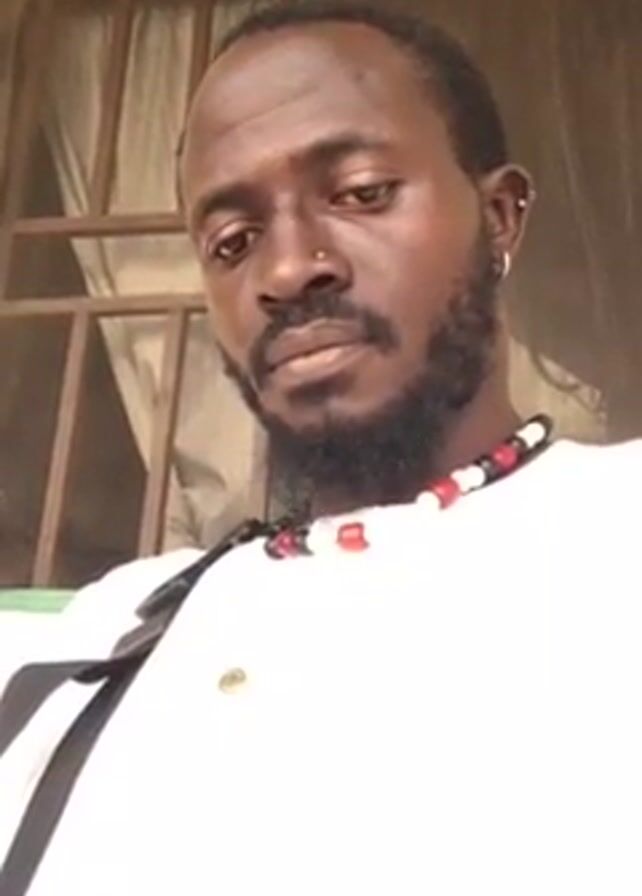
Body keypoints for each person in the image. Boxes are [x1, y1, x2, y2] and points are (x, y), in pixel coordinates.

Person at [1, 3, 641, 894]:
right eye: (233, 242)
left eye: (362, 193)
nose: (287, 269)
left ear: (499, 217)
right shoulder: (107, 631)